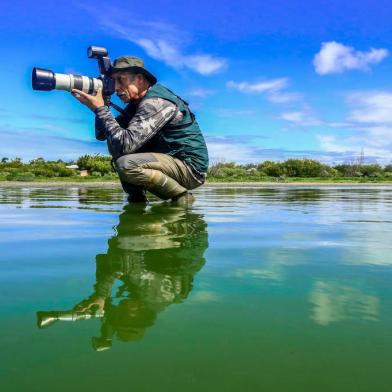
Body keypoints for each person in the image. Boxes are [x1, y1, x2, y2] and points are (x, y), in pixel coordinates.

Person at [71, 56, 209, 203]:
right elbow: (102, 135)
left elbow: (125, 146)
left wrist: (101, 109)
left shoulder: (156, 102)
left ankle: (182, 197)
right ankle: (137, 200)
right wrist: (100, 107)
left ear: (140, 79)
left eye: (121, 80)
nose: (116, 88)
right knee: (116, 145)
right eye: (113, 81)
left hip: (190, 168)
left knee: (127, 164)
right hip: (169, 161)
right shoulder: (136, 104)